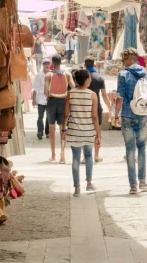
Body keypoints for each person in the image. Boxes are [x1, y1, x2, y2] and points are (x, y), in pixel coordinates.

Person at [114, 48, 147, 195]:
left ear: (129, 60)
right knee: (142, 147)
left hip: (127, 115)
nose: (123, 64)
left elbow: (120, 97)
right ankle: (143, 182)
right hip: (142, 115)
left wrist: (115, 115)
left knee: (130, 149)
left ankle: (133, 185)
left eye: (123, 61)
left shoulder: (123, 74)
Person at [64, 69, 100, 197]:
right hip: (88, 130)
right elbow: (95, 116)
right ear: (85, 80)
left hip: (74, 131)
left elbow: (65, 114)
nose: (90, 80)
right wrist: (98, 134)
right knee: (89, 155)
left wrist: (63, 129)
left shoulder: (70, 93)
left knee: (75, 158)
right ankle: (89, 183)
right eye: (89, 78)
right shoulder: (92, 94)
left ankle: (77, 188)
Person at [44, 54, 73, 163]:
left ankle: (53, 154)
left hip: (52, 101)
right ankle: (63, 154)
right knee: (63, 128)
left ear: (52, 62)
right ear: (61, 62)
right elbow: (73, 88)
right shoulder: (67, 74)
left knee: (52, 129)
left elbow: (46, 92)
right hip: (63, 101)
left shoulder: (48, 75)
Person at [83, 58, 109, 163]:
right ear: (94, 64)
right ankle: (96, 155)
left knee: (85, 131)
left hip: (84, 107)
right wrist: (110, 108)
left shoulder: (82, 77)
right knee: (97, 131)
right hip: (97, 107)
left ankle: (85, 157)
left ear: (85, 65)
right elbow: (104, 94)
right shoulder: (99, 78)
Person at [32, 59, 52, 140]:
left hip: (50, 98)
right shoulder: (38, 75)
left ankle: (48, 132)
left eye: (48, 64)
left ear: (50, 65)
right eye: (45, 64)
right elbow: (35, 88)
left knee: (49, 117)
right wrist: (33, 100)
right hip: (40, 99)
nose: (46, 65)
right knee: (40, 116)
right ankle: (40, 131)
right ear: (42, 65)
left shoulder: (52, 74)